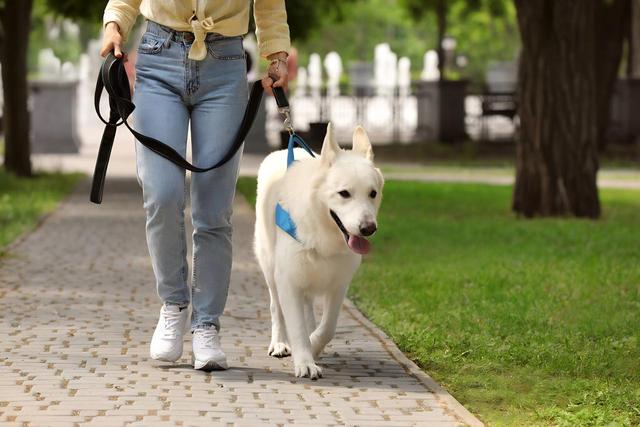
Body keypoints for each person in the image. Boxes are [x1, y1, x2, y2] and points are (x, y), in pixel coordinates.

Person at [100, 0, 290, 371]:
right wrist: (114, 26)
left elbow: (269, 5)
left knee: (214, 209)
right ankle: (174, 304)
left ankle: (206, 325)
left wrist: (276, 54)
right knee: (162, 194)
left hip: (225, 63)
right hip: (158, 57)